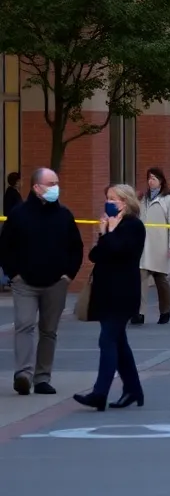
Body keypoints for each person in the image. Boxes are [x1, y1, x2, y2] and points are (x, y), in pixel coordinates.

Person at [0, 168, 83, 395]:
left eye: (56, 182)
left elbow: (76, 247)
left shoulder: (64, 215)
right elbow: (5, 246)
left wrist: (68, 275)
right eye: (50, 183)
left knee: (49, 331)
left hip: (55, 283)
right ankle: (23, 375)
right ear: (36, 187)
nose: (55, 187)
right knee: (24, 325)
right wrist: (13, 274)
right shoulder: (19, 214)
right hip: (25, 283)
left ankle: (42, 377)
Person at [73, 184, 146, 410]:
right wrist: (104, 232)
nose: (109, 202)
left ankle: (99, 393)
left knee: (107, 340)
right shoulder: (113, 226)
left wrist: (111, 233)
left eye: (113, 199)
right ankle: (133, 389)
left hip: (123, 294)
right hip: (106, 293)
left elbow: (120, 252)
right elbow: (96, 255)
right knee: (118, 342)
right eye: (107, 198)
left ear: (126, 201)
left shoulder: (134, 226)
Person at [135, 167, 170, 325]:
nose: (150, 181)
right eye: (149, 178)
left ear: (161, 180)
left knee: (161, 280)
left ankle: (165, 310)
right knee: (140, 280)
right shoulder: (143, 198)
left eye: (153, 178)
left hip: (160, 245)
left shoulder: (169, 199)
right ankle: (139, 313)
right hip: (143, 245)